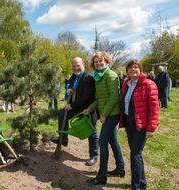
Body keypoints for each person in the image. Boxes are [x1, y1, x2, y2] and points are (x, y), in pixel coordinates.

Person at [83, 52, 125, 185]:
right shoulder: (98, 76)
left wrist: (104, 114)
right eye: (95, 62)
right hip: (107, 113)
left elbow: (114, 97)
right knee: (113, 141)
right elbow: (100, 98)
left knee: (102, 142)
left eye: (101, 61)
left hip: (112, 114)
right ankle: (120, 168)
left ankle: (102, 176)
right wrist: (90, 108)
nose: (98, 64)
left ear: (107, 62)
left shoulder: (110, 75)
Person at [51, 57, 99, 166]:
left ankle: (94, 155)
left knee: (92, 132)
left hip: (88, 108)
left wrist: (71, 106)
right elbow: (69, 83)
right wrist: (69, 89)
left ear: (83, 65)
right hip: (77, 105)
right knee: (61, 114)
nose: (76, 68)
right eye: (74, 66)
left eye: (78, 66)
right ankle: (63, 139)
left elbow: (86, 97)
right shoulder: (75, 75)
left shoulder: (89, 78)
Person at [120, 59, 159, 190]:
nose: (133, 69)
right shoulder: (126, 83)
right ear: (127, 71)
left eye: (136, 67)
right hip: (129, 122)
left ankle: (135, 186)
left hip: (141, 125)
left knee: (135, 155)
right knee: (136, 153)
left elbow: (154, 108)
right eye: (130, 68)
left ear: (140, 69)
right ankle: (142, 183)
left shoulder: (148, 84)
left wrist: (151, 128)